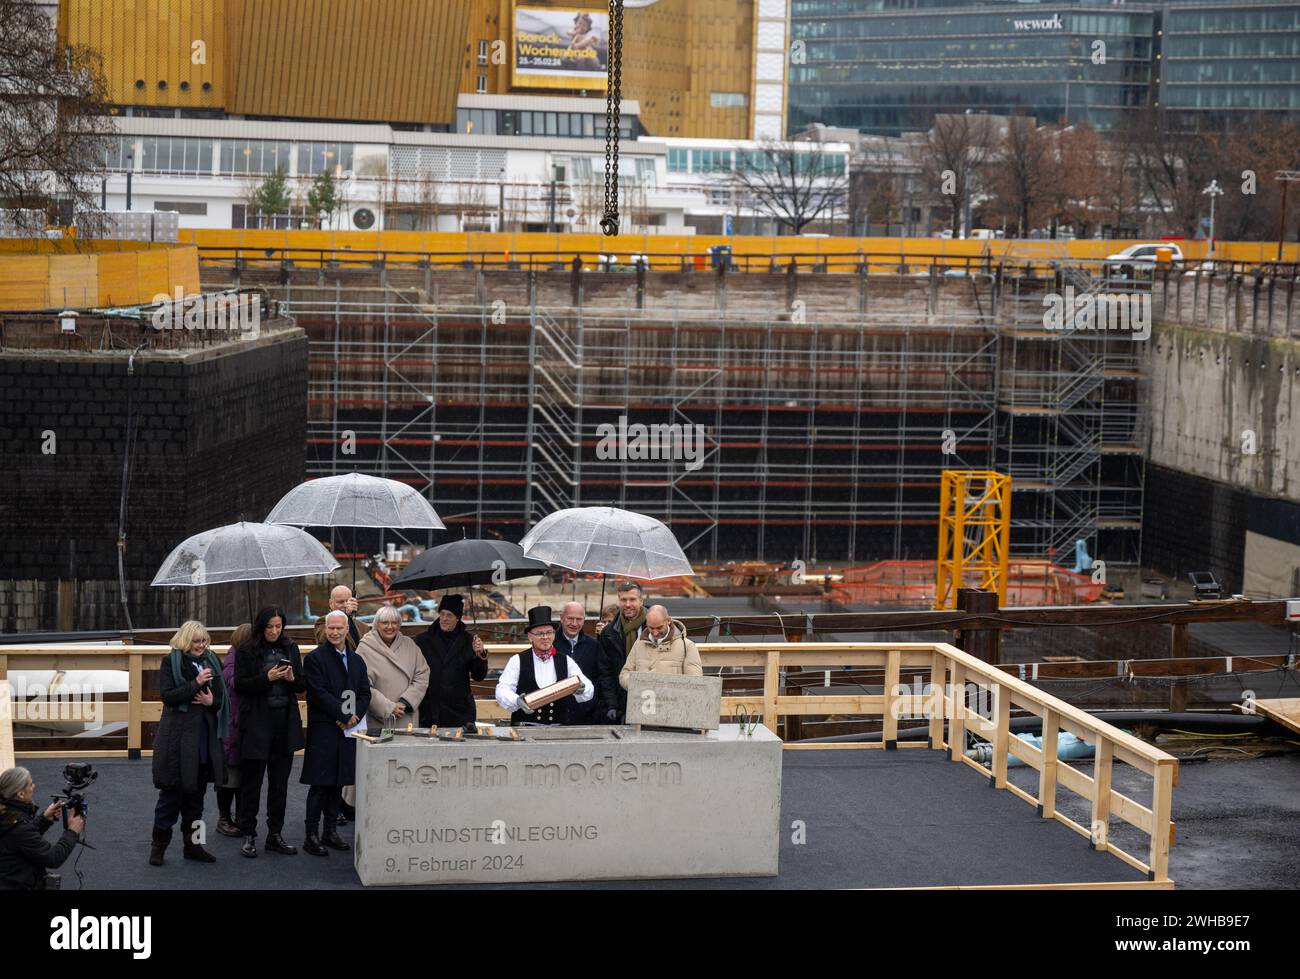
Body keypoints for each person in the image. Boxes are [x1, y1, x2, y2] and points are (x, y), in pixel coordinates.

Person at [150, 620, 228, 866]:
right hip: (178, 741)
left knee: (197, 801)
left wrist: (210, 702)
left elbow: (220, 700)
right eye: (196, 641)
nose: (201, 645)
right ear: (185, 641)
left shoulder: (212, 661)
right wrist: (195, 682)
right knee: (170, 799)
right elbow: (168, 696)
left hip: (204, 741)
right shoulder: (169, 662)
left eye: (204, 641)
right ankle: (158, 848)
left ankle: (194, 846)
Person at [234, 605, 306, 858]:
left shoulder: (290, 647)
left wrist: (290, 679)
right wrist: (267, 678)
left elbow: (302, 685)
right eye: (270, 627)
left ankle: (275, 834)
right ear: (261, 626)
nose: (275, 631)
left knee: (279, 785)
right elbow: (240, 685)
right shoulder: (246, 650)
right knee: (251, 784)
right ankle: (249, 834)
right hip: (256, 723)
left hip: (283, 723)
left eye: (279, 626)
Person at [301, 611, 371, 857]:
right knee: (320, 785)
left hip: (348, 730)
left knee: (338, 783)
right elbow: (318, 693)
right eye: (331, 627)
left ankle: (330, 831)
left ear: (346, 630)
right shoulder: (315, 659)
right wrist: (343, 715)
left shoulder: (356, 660)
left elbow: (365, 692)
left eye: (339, 628)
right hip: (325, 729)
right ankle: (311, 835)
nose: (334, 632)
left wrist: (355, 716)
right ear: (325, 629)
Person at [495, 605, 594, 726]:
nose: (545, 637)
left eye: (549, 632)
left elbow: (588, 687)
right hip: (524, 728)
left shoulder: (565, 660)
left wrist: (582, 689)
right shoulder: (517, 660)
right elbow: (502, 689)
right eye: (540, 634)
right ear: (530, 636)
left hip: (557, 731)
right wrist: (516, 701)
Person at [0, 767, 83, 891]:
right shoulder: (20, 828)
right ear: (20, 794)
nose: (34, 786)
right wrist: (72, 832)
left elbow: (19, 839)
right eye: (30, 784)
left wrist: (44, 819)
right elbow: (53, 858)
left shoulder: (6, 814)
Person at [414, 594, 488, 730]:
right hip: (430, 710)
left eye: (449, 615)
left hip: (460, 712)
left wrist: (480, 654)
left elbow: (479, 675)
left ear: (458, 618)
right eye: (442, 614)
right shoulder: (422, 640)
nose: (444, 619)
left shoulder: (469, 640)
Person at [356, 605, 429, 730]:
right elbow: (361, 684)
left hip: (406, 714)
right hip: (379, 718)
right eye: (385, 623)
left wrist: (406, 702)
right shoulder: (364, 648)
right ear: (377, 624)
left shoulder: (410, 645)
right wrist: (388, 707)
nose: (390, 627)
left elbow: (422, 674)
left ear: (400, 625)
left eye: (394, 623)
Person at [216, 621, 252, 838]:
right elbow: (233, 681)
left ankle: (239, 815)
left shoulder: (236, 656)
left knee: (242, 777)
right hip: (233, 727)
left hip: (240, 725)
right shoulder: (234, 659)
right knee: (229, 778)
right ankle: (224, 817)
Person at [595, 581, 648, 722]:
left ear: (641, 601)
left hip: (649, 697)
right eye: (623, 600)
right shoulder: (609, 632)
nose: (628, 604)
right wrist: (612, 704)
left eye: (632, 599)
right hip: (620, 701)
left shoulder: (654, 627)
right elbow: (605, 672)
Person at [619, 605, 704, 688]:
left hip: (672, 701)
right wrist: (639, 685)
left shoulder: (687, 646)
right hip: (644, 700)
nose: (655, 632)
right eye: (651, 628)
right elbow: (625, 675)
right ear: (646, 623)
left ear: (669, 621)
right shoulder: (639, 644)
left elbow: (695, 682)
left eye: (659, 628)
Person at [555, 601, 601, 724]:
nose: (574, 623)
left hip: (586, 714)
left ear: (584, 620)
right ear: (561, 618)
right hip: (557, 714)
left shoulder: (594, 646)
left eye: (579, 619)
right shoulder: (550, 644)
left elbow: (598, 677)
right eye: (570, 618)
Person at [312, 584, 370, 651]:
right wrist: (345, 616)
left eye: (348, 601)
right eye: (340, 602)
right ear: (331, 603)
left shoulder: (363, 627)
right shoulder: (322, 622)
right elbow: (325, 640)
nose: (345, 605)